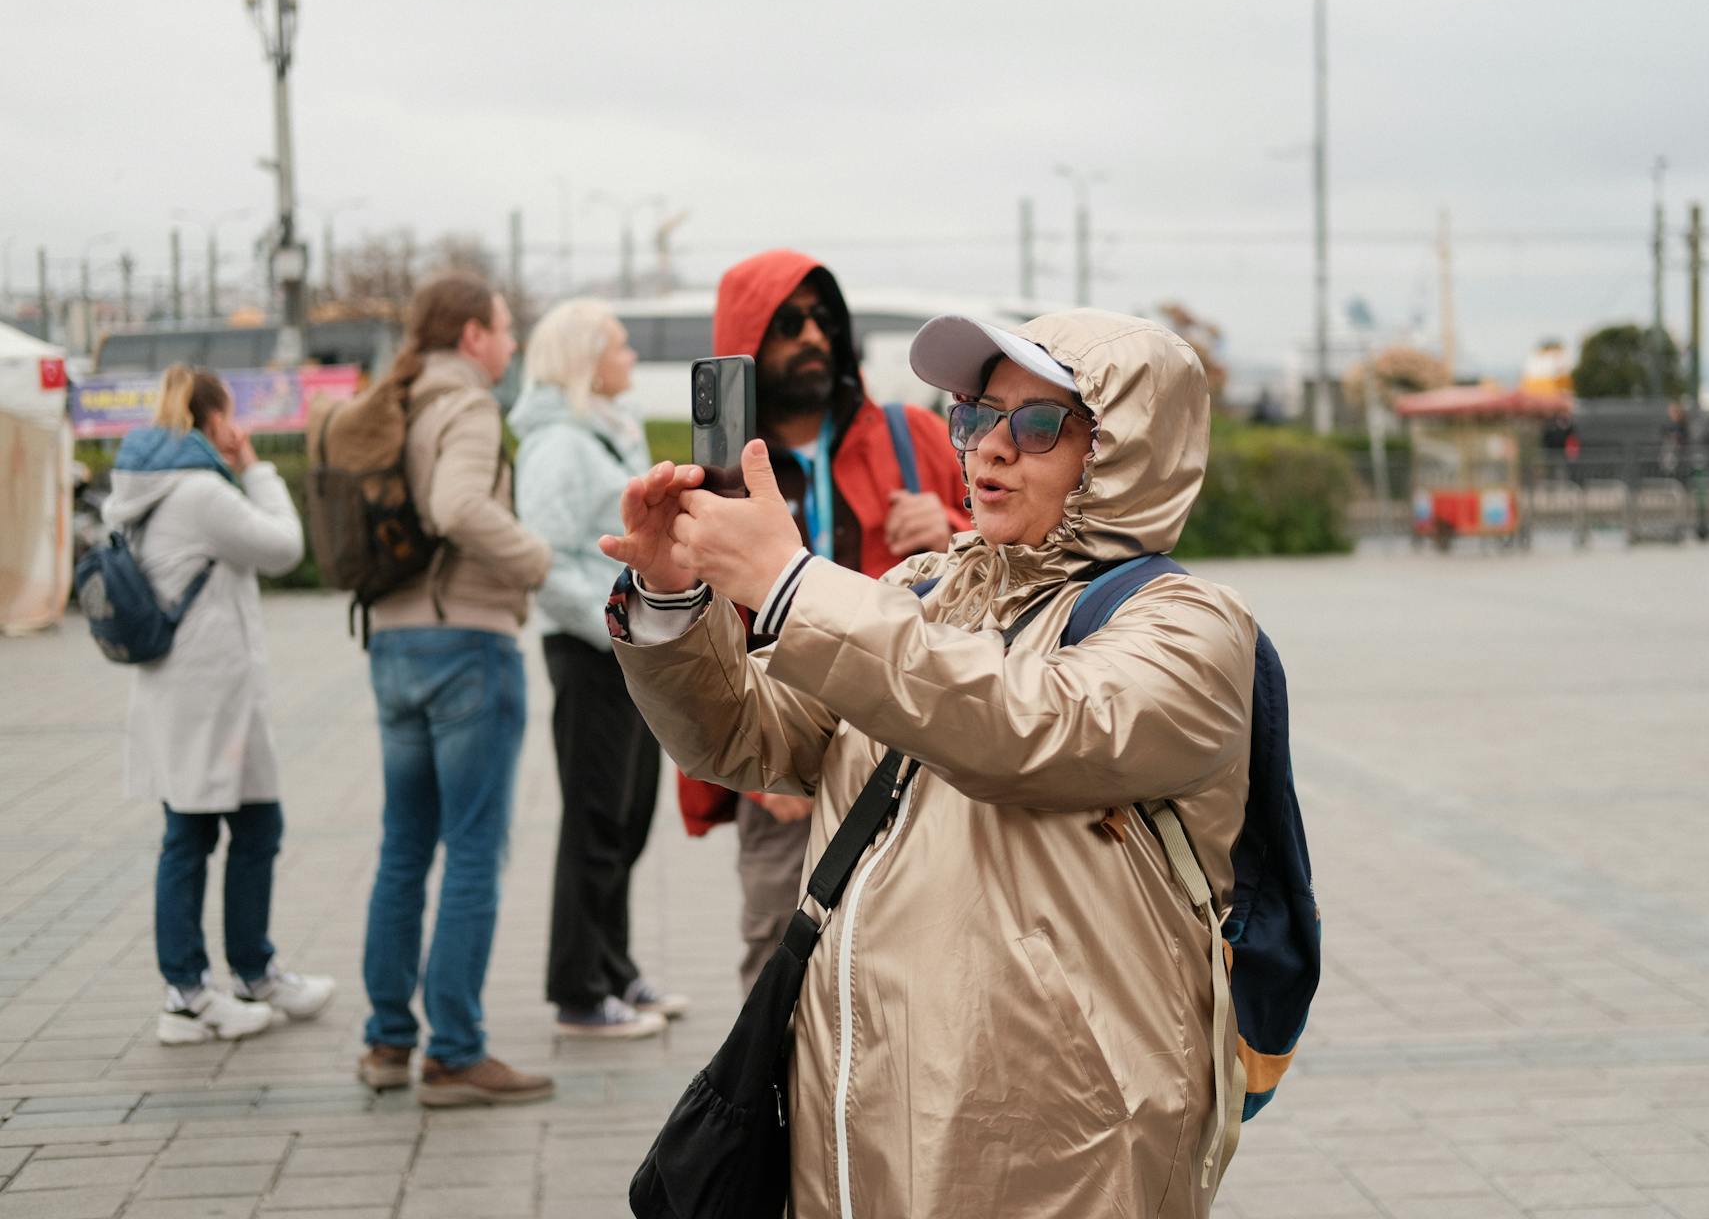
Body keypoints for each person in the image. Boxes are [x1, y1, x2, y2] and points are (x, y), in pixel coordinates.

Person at [601, 309, 1258, 1216]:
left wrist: (792, 586)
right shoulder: (922, 589)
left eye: (1036, 425)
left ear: (1125, 450)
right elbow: (750, 731)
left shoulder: (1190, 629)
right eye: (975, 416)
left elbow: (1026, 726)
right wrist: (670, 602)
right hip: (856, 1106)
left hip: (1062, 1139)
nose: (990, 449)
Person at [682, 249, 970, 993]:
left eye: (824, 319)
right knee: (780, 986)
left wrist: (952, 529)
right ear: (744, 340)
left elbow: (1011, 566)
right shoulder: (713, 481)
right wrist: (759, 773)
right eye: (787, 322)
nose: (813, 336)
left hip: (921, 753)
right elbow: (701, 640)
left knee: (922, 977)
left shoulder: (913, 436)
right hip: (783, 778)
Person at [355, 274, 556, 1106]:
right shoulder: (467, 406)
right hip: (468, 640)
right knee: (474, 849)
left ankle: (386, 1042)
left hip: (394, 641)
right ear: (473, 335)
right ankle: (457, 1051)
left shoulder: (392, 404)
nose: (510, 347)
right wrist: (538, 560)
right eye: (505, 331)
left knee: (404, 848)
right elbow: (455, 504)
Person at [103, 365, 334, 1044]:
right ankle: (186, 994)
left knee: (253, 825)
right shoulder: (198, 490)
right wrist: (255, 466)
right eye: (232, 416)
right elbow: (285, 546)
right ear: (214, 421)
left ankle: (253, 972)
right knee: (192, 835)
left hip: (205, 695)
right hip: (202, 698)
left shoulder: (153, 487)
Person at [509, 298, 688, 1037]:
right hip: (591, 653)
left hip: (621, 651)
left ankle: (614, 970)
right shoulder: (558, 445)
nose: (631, 360)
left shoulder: (602, 432)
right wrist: (614, 631)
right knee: (595, 819)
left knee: (627, 815)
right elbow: (546, 561)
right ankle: (579, 989)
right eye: (618, 347)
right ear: (584, 359)